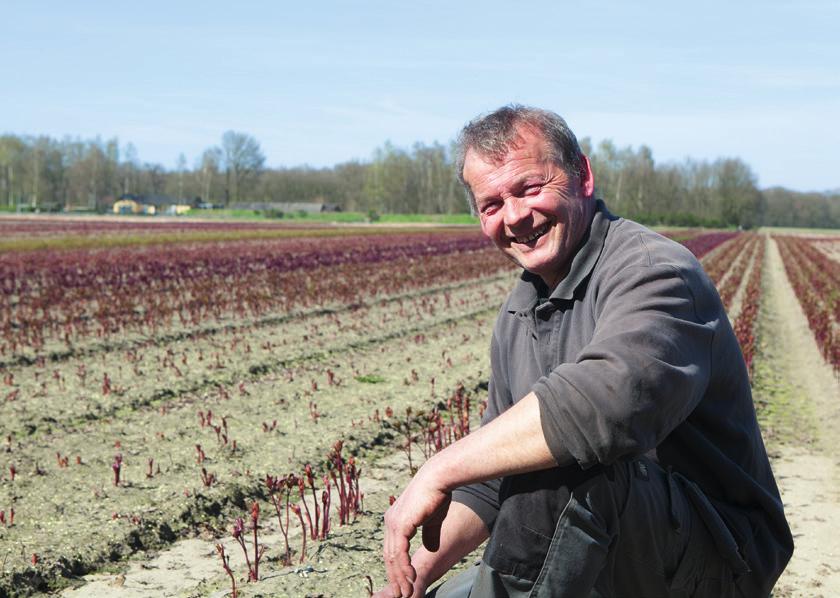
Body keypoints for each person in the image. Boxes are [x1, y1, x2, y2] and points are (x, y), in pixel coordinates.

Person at [376, 105, 792, 598]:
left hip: (719, 554)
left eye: (530, 188)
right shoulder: (519, 313)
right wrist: (414, 575)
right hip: (613, 534)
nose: (515, 216)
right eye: (492, 204)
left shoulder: (655, 270)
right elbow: (492, 483)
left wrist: (439, 467)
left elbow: (606, 406)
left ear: (583, 177)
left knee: (569, 459)